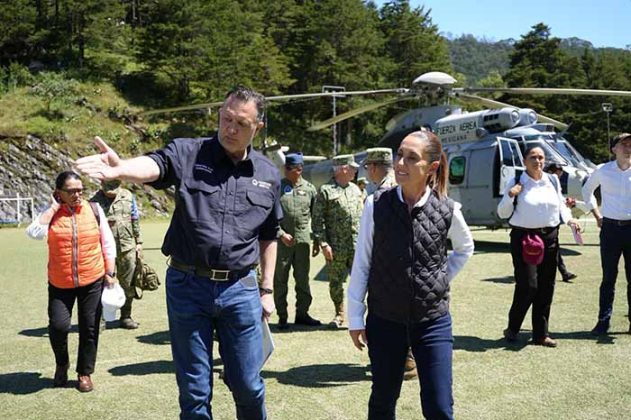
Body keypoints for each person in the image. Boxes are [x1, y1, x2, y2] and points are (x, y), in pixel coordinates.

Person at [75, 86, 282, 419]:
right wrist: (122, 167)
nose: (230, 128)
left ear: (257, 127)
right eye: (226, 118)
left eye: (241, 124)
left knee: (248, 384)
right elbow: (157, 165)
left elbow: (269, 235)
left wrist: (267, 289)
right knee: (195, 391)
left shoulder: (268, 174)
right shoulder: (189, 152)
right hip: (188, 285)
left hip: (240, 289)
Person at [347, 131, 474, 419]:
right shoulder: (376, 204)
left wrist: (439, 279)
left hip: (432, 323)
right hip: (384, 320)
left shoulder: (448, 208)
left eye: (411, 158)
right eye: (400, 155)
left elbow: (465, 248)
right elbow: (362, 263)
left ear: (432, 167)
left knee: (439, 407)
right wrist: (355, 317)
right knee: (382, 402)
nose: (400, 163)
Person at [25, 171, 116, 393]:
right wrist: (53, 208)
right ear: (59, 192)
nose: (77, 195)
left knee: (90, 327)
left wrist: (110, 272)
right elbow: (34, 233)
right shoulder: (51, 213)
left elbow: (107, 243)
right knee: (59, 326)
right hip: (60, 281)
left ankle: (84, 372)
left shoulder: (94, 210)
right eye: (71, 191)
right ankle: (61, 364)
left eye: (80, 190)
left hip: (92, 279)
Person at [498, 147, 582, 347]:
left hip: (550, 236)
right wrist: (510, 196)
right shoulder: (516, 180)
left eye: (541, 157)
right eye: (533, 157)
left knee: (546, 286)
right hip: (524, 237)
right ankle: (513, 328)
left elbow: (560, 204)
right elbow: (502, 213)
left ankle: (540, 334)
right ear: (525, 161)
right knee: (528, 285)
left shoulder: (552, 180)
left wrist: (569, 220)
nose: (538, 161)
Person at [363, 146, 417, 380]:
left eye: (368, 167)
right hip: (402, 262)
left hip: (391, 264)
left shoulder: (385, 192)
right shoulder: (399, 185)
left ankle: (406, 361)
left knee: (393, 314)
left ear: (375, 167)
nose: (367, 172)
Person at [582, 132, 631, 335]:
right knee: (608, 277)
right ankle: (603, 321)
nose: (628, 147)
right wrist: (596, 214)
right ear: (614, 149)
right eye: (624, 144)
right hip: (610, 229)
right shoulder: (603, 170)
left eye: (630, 144)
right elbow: (587, 190)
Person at [312, 154, 364, 329]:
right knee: (336, 283)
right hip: (336, 247)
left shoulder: (356, 189)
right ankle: (339, 314)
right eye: (352, 168)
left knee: (361, 281)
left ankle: (360, 315)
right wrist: (323, 244)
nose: (355, 171)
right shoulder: (326, 191)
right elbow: (317, 221)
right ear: (343, 169)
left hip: (356, 246)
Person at [274, 152, 320, 329]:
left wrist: (317, 240)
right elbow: (270, 215)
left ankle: (302, 314)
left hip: (302, 242)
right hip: (282, 243)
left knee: (302, 280)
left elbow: (316, 217)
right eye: (285, 168)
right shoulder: (278, 187)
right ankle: (282, 316)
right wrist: (281, 234)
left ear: (299, 169)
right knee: (280, 280)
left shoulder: (310, 189)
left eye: (289, 168)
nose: (285, 171)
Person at [90, 180, 143, 329]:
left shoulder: (128, 196)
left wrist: (139, 242)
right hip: (103, 250)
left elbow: (134, 218)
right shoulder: (93, 202)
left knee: (129, 283)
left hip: (127, 247)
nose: (111, 193)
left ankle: (126, 316)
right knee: (102, 284)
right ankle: (100, 320)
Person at [544, 163, 577, 283]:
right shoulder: (545, 181)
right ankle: (563, 273)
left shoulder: (554, 182)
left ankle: (564, 273)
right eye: (558, 173)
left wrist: (566, 201)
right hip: (544, 221)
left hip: (553, 221)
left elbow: (559, 199)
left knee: (554, 248)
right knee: (551, 249)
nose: (558, 176)